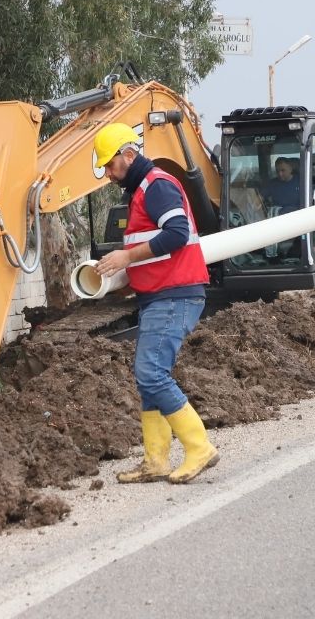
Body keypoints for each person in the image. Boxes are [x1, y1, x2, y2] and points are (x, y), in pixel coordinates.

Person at [91, 122, 220, 484]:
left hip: (175, 294)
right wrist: (125, 276)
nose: (107, 173)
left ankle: (199, 447)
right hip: (160, 294)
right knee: (148, 379)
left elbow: (177, 234)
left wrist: (127, 258)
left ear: (129, 155)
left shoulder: (157, 186)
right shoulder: (142, 191)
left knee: (151, 373)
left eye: (110, 164)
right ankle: (156, 460)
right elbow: (154, 248)